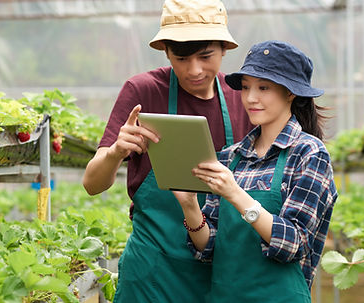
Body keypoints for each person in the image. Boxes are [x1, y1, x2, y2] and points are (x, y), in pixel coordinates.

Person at [82, 0, 254, 301]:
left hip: (221, 266)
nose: (194, 70)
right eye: (181, 58)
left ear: (225, 48)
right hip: (153, 271)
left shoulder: (242, 96)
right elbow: (92, 184)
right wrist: (116, 152)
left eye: (205, 56)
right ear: (165, 51)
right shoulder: (143, 91)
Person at [172, 40, 338, 302]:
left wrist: (235, 193)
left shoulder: (308, 154)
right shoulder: (230, 157)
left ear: (291, 93)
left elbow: (293, 243)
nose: (250, 98)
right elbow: (208, 247)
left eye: (263, 88)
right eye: (246, 87)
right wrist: (190, 206)